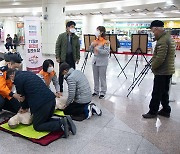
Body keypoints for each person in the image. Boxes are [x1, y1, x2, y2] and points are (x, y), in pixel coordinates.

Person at [6, 69, 76, 137]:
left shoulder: (18, 79)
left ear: (12, 75)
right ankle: (64, 121)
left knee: (37, 126)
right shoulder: (27, 73)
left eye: (10, 79)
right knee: (45, 120)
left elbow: (22, 97)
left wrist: (24, 108)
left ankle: (61, 125)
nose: (11, 81)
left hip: (43, 104)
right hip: (51, 100)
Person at [142, 20, 175, 119]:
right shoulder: (168, 37)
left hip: (162, 71)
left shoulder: (163, 40)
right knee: (164, 91)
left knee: (157, 92)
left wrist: (153, 67)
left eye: (153, 30)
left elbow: (160, 58)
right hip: (168, 70)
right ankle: (166, 110)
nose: (153, 33)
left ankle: (153, 111)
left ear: (156, 29)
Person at [55, 21, 80, 94]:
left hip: (72, 57)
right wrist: (57, 56)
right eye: (72, 26)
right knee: (61, 73)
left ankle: (72, 88)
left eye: (74, 27)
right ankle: (60, 88)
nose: (73, 28)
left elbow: (77, 48)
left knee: (72, 73)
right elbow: (57, 46)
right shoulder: (62, 36)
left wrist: (78, 58)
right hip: (63, 57)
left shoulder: (75, 37)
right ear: (67, 28)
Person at [89, 26, 110, 99]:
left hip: (102, 62)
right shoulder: (95, 41)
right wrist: (91, 46)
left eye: (98, 30)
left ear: (101, 32)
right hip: (95, 61)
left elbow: (107, 52)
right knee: (95, 77)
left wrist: (98, 49)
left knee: (102, 78)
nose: (96, 32)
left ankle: (103, 92)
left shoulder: (106, 42)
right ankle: (96, 91)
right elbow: (91, 50)